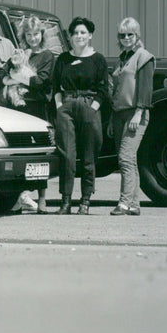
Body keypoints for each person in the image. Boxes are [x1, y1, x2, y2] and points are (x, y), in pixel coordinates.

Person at [0, 16, 56, 214]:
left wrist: (15, 76)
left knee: (40, 155)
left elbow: (42, 82)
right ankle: (19, 197)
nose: (33, 38)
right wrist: (12, 78)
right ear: (24, 36)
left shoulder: (47, 56)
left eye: (36, 34)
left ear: (42, 35)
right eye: (29, 34)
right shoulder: (20, 53)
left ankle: (42, 199)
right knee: (20, 154)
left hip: (37, 108)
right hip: (19, 109)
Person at [52, 17, 110, 215]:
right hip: (67, 106)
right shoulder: (63, 59)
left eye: (83, 32)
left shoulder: (98, 59)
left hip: (89, 106)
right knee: (67, 155)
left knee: (88, 155)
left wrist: (93, 108)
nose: (79, 36)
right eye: (75, 33)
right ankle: (66, 201)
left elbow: (104, 89)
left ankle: (85, 200)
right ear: (70, 36)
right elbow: (55, 86)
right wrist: (60, 106)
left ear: (90, 35)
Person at [109, 17, 155, 216]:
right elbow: (117, 89)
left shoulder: (144, 57)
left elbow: (145, 88)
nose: (126, 38)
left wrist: (139, 112)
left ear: (137, 35)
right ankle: (134, 204)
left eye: (130, 34)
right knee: (130, 160)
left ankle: (124, 202)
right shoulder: (122, 58)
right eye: (122, 35)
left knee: (125, 158)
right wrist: (112, 119)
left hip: (135, 114)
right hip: (119, 113)